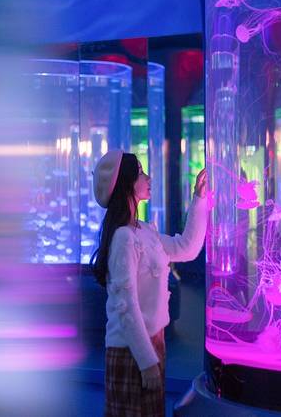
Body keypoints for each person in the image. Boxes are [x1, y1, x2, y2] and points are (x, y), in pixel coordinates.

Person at [90, 149, 208, 417]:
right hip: (131, 349)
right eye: (141, 173)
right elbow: (126, 306)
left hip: (153, 343)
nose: (148, 177)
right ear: (126, 183)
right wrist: (146, 361)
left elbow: (186, 248)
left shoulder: (144, 231)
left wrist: (199, 198)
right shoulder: (124, 238)